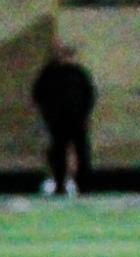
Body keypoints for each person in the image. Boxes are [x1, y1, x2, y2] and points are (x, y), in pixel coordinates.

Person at [32, 44, 97, 197]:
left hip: (76, 120)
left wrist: (83, 114)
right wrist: (49, 115)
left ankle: (84, 186)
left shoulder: (79, 74)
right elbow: (39, 95)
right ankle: (60, 184)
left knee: (81, 153)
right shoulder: (49, 74)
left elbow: (89, 95)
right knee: (59, 153)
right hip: (58, 122)